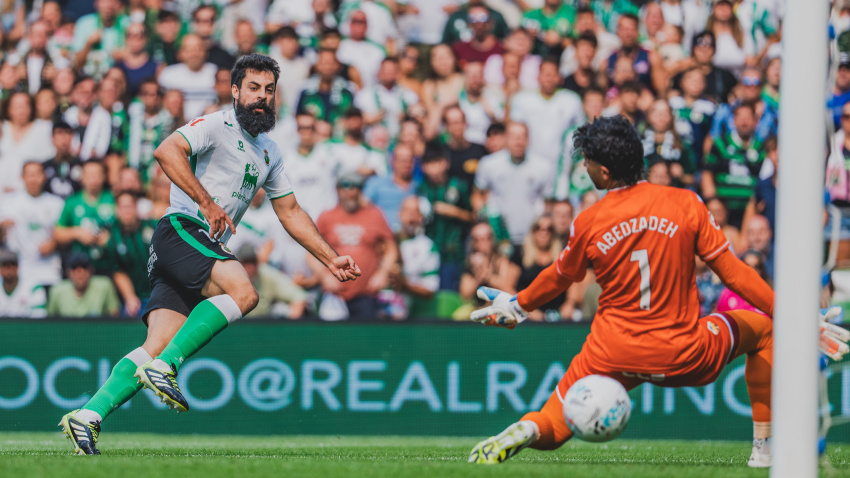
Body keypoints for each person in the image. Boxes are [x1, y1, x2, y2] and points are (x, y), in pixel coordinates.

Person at [466, 116, 849, 467]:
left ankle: (528, 429)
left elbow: (558, 277)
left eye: (586, 162)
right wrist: (795, 318)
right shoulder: (684, 203)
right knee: (763, 331)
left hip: (611, 352)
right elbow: (733, 273)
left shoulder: (589, 221)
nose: (584, 168)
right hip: (684, 353)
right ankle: (764, 451)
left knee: (556, 421)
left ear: (603, 171)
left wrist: (518, 305)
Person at [58, 54, 361, 455]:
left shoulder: (268, 150)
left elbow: (289, 210)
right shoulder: (217, 124)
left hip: (189, 244)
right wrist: (206, 202)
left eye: (268, 91)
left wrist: (329, 257)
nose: (261, 98)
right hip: (183, 227)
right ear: (235, 91)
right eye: (253, 88)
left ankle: (88, 416)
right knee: (244, 294)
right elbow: (167, 151)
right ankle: (166, 369)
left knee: (158, 344)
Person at [315, 172, 396, 320]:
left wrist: (383, 272)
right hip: (335, 295)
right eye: (347, 186)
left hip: (366, 294)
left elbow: (391, 249)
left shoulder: (375, 214)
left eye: (357, 187)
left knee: (366, 339)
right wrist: (324, 276)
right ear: (338, 189)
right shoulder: (326, 217)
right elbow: (310, 254)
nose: (352, 191)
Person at [473, 122, 552, 246]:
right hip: (498, 238)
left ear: (528, 139)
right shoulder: (488, 164)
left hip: (531, 238)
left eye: (522, 136)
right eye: (513, 136)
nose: (518, 141)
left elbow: (548, 202)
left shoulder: (543, 167)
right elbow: (477, 195)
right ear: (505, 138)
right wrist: (486, 216)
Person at [702, 103, 767, 228]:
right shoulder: (721, 144)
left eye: (748, 118)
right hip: (723, 213)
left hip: (750, 212)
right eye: (740, 118)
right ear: (733, 120)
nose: (744, 122)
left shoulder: (761, 148)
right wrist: (714, 202)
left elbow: (765, 179)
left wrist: (759, 202)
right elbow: (707, 175)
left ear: (756, 121)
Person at [418, 147, 474, 291]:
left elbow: (473, 217)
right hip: (428, 252)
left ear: (446, 163)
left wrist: (455, 212)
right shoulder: (421, 188)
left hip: (453, 252)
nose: (434, 169)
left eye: (438, 163)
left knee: (449, 293)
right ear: (424, 167)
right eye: (429, 164)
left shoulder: (458, 186)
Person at [0, 161, 64, 287]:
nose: (33, 179)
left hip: (48, 269)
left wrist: (54, 243)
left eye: (37, 174)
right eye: (29, 175)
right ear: (22, 177)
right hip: (17, 270)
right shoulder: (7, 203)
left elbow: (64, 235)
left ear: (44, 176)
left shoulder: (57, 204)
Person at [53, 160, 115, 272]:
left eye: (97, 174)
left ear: (104, 176)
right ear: (82, 177)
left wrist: (111, 238)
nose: (94, 179)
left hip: (110, 264)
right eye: (90, 175)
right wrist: (76, 233)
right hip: (80, 267)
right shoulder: (72, 202)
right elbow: (57, 234)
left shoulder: (113, 199)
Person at [102, 192, 157, 317]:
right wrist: (130, 297)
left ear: (136, 207)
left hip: (160, 293)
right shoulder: (113, 237)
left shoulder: (153, 226)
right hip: (137, 299)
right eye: (122, 207)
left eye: (129, 206)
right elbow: (118, 271)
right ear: (117, 210)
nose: (126, 211)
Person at [0, 91, 56, 192]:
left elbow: (49, 161)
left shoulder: (44, 128)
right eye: (17, 106)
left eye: (25, 105)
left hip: (33, 193)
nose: (21, 110)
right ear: (8, 109)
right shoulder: (2, 128)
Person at [235, 245, 307, 319]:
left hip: (262, 325)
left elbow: (299, 296)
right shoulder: (230, 278)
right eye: (245, 263)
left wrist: (289, 326)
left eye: (252, 262)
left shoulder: (267, 275)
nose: (249, 267)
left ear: (257, 263)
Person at [157, 33, 218, 120]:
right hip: (176, 126)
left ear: (205, 51)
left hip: (208, 125)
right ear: (180, 53)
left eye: (198, 49)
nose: (194, 54)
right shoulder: (168, 75)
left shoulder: (215, 73)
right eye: (189, 50)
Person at [363, 142, 418, 233]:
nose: (406, 165)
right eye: (402, 161)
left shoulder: (419, 187)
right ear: (393, 161)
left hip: (410, 238)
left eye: (410, 160)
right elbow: (363, 207)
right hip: (382, 235)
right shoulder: (376, 183)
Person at [47, 253, 120, 317]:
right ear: (68, 272)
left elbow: (114, 315)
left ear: (91, 270)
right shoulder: (57, 290)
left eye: (84, 268)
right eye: (75, 268)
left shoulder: (105, 285)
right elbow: (50, 321)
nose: (80, 273)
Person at [0, 249, 47, 318]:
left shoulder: (33, 288)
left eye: (12, 264)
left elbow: (39, 319)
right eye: (5, 265)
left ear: (17, 267)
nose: (9, 269)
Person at [43, 121, 84, 199]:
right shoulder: (45, 167)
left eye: (67, 133)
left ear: (72, 137)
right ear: (52, 138)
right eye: (59, 133)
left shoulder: (82, 165)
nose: (64, 138)